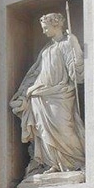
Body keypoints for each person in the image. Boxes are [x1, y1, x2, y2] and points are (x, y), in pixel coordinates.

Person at [10, 12, 85, 175]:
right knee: (43, 131)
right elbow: (36, 72)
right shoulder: (46, 48)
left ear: (56, 25)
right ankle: (53, 163)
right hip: (39, 94)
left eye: (46, 28)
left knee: (65, 128)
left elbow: (76, 69)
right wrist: (24, 92)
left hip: (60, 93)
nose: (43, 31)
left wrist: (75, 62)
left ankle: (75, 161)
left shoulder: (67, 42)